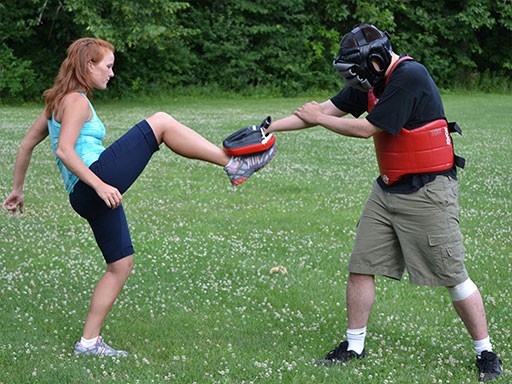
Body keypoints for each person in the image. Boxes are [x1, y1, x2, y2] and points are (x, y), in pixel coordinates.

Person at [2, 37, 276, 357]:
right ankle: (234, 164)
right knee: (160, 123)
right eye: (107, 66)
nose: (111, 73)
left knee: (120, 264)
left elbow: (25, 146)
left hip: (85, 193)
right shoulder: (75, 101)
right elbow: (65, 151)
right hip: (95, 182)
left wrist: (18, 189)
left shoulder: (56, 102)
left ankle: (88, 343)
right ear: (88, 66)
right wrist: (100, 185)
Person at [264, 24, 502, 381]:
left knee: (453, 276)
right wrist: (268, 128)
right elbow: (326, 110)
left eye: (356, 71)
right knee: (361, 265)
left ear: (374, 61)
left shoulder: (409, 76)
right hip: (388, 189)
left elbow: (365, 129)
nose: (354, 80)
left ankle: (486, 353)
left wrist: (318, 118)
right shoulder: (372, 83)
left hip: (428, 191)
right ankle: (353, 346)